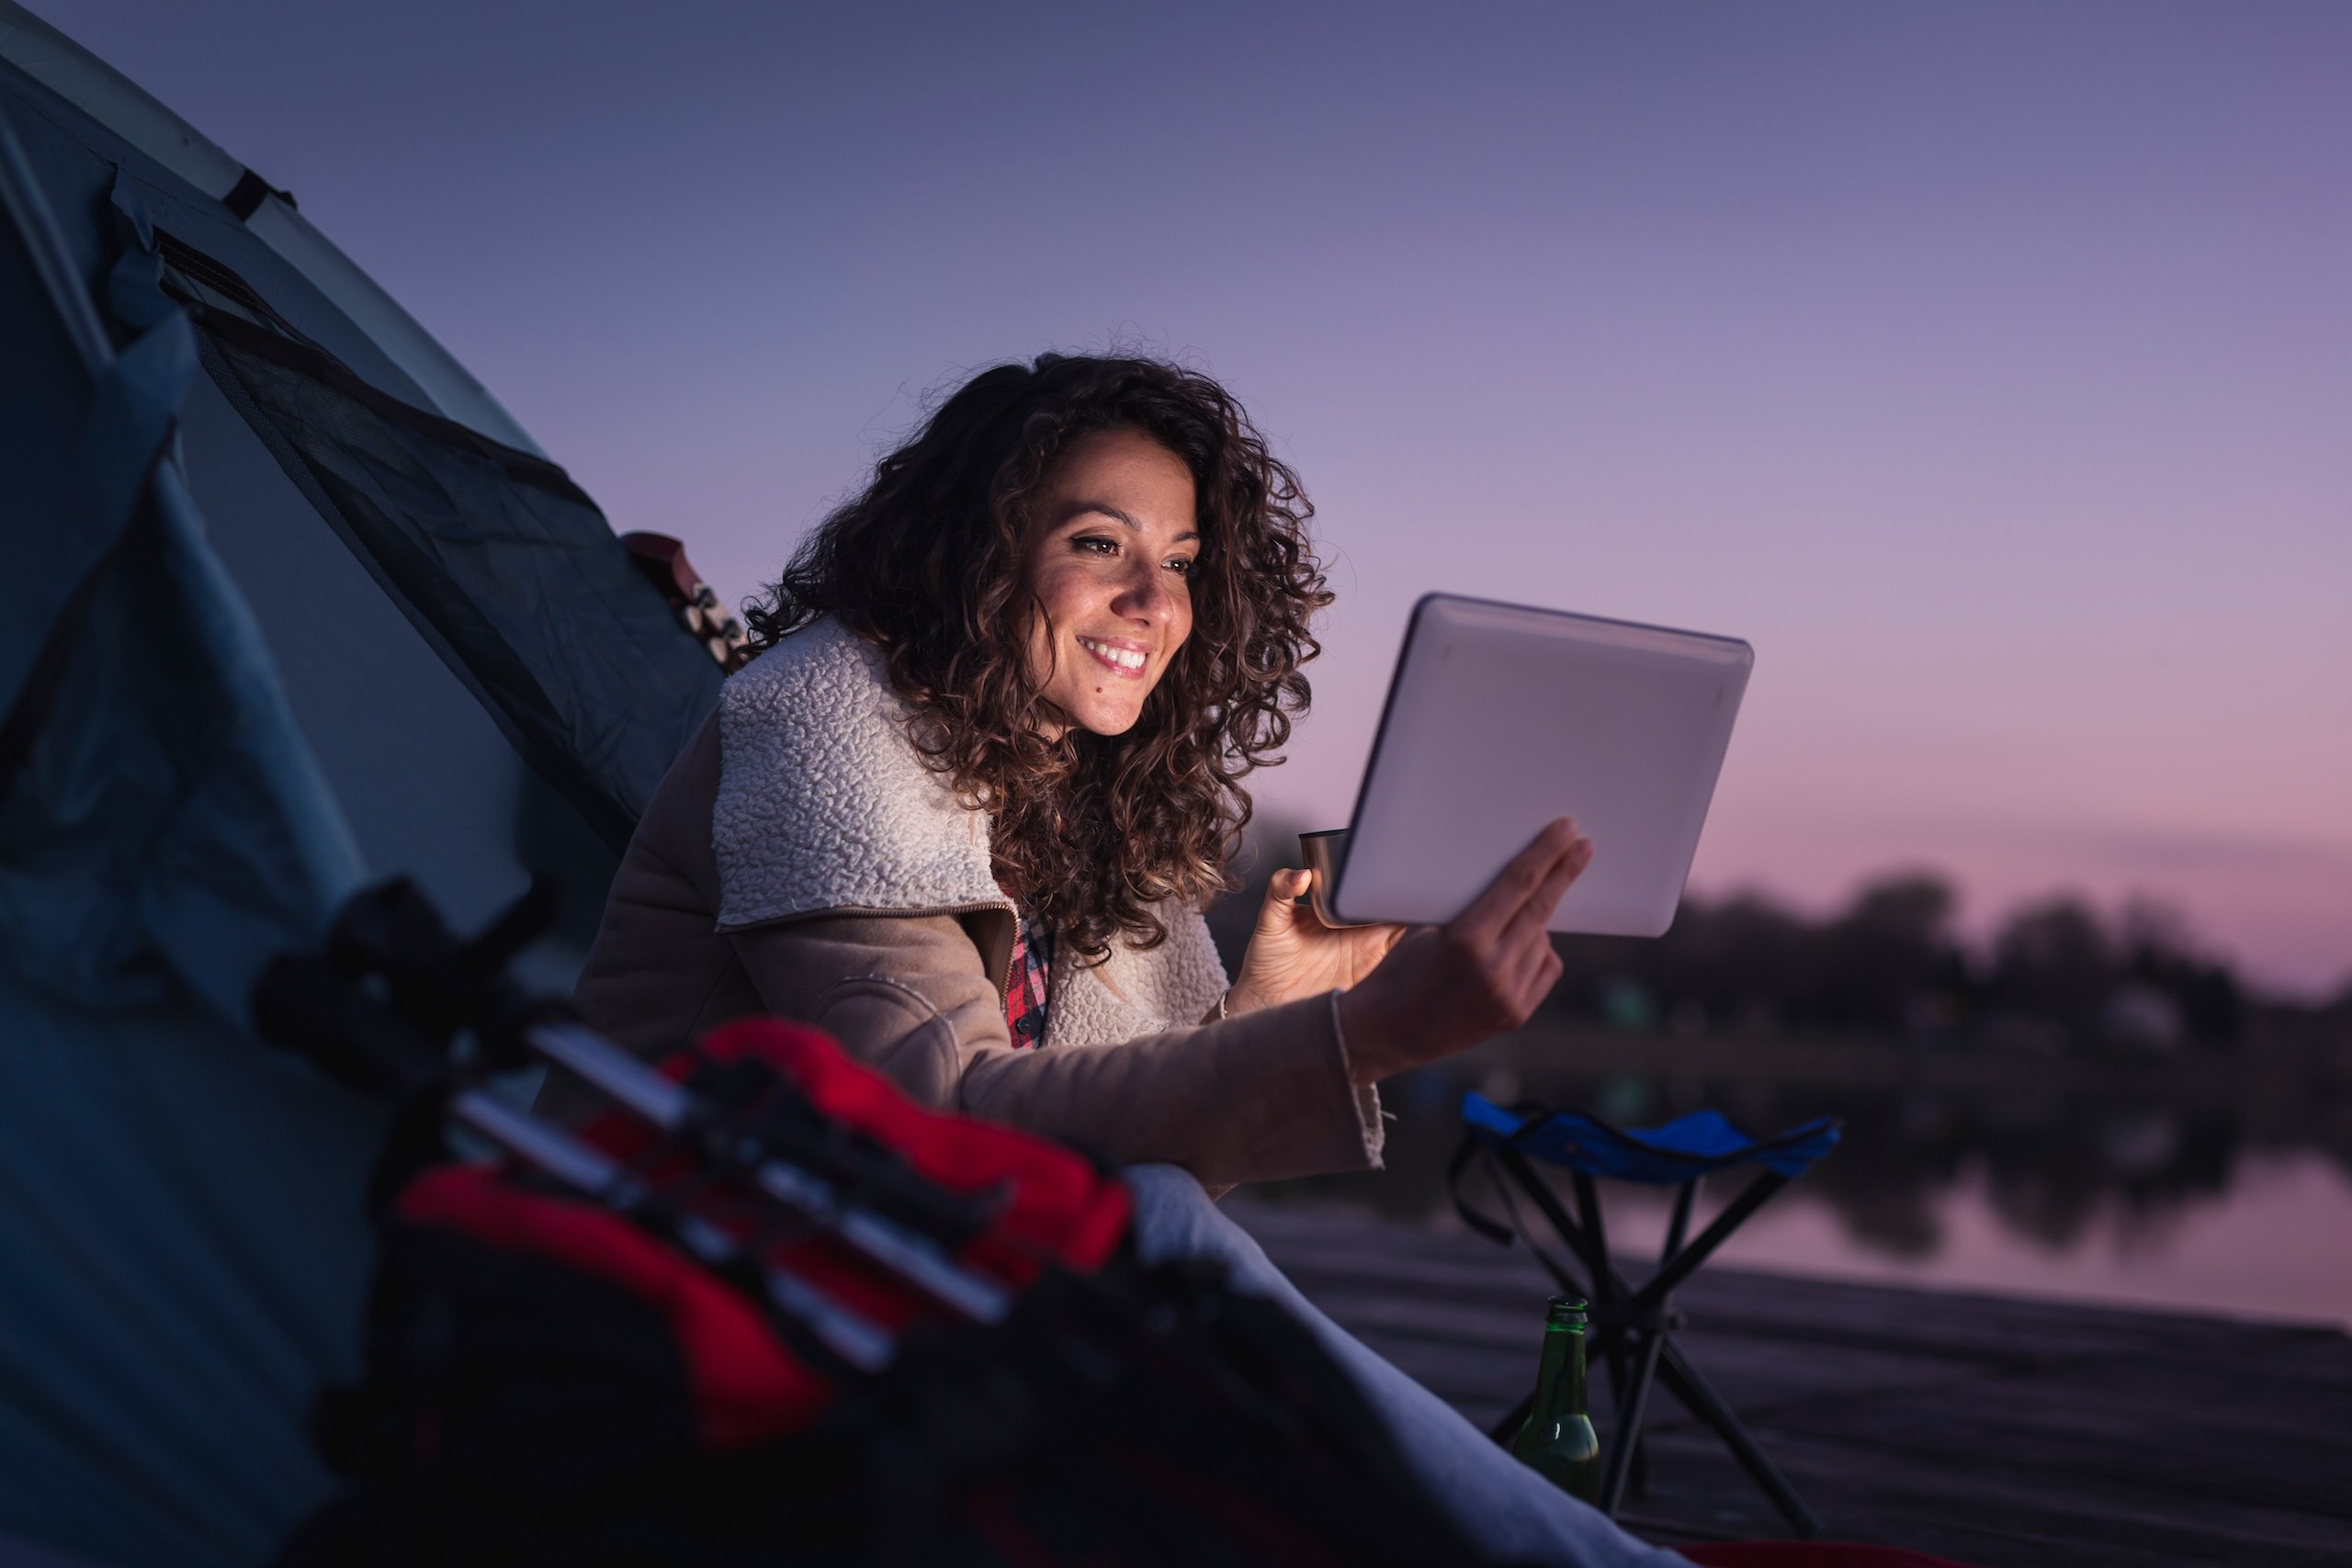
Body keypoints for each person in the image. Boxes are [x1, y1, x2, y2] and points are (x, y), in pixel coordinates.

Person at [560, 353, 1680, 1566]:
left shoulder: (1085, 793)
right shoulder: (824, 709)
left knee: (1154, 1236)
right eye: (1102, 544)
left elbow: (1131, 1168)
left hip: (915, 1298)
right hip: (678, 1291)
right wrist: (1368, 1039)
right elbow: (939, 1133)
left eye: (1186, 564)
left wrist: (1276, 1007)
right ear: (976, 552)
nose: (1158, 600)